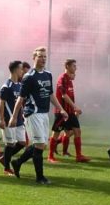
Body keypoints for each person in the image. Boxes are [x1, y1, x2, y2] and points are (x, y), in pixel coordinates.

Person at [8, 47, 68, 185]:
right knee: (40, 145)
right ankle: (40, 177)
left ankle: (17, 162)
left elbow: (51, 94)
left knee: (40, 145)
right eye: (40, 56)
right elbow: (21, 98)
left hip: (44, 113)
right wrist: (14, 117)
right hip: (32, 113)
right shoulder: (29, 77)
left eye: (45, 56)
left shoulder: (48, 74)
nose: (43, 59)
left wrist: (61, 109)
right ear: (34, 58)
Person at [48, 59, 91, 163]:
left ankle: (79, 156)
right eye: (74, 66)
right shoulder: (62, 78)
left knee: (77, 131)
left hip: (70, 112)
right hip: (61, 112)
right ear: (67, 66)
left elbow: (70, 96)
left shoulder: (70, 80)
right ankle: (50, 156)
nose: (76, 68)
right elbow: (64, 96)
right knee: (56, 133)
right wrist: (75, 107)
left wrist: (73, 108)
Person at [0, 60, 27, 175]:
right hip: (8, 119)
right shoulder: (7, 86)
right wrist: (1, 119)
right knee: (10, 144)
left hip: (19, 119)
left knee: (22, 142)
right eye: (21, 68)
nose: (22, 71)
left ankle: (4, 158)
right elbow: (1, 103)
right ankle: (6, 168)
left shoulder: (19, 85)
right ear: (15, 70)